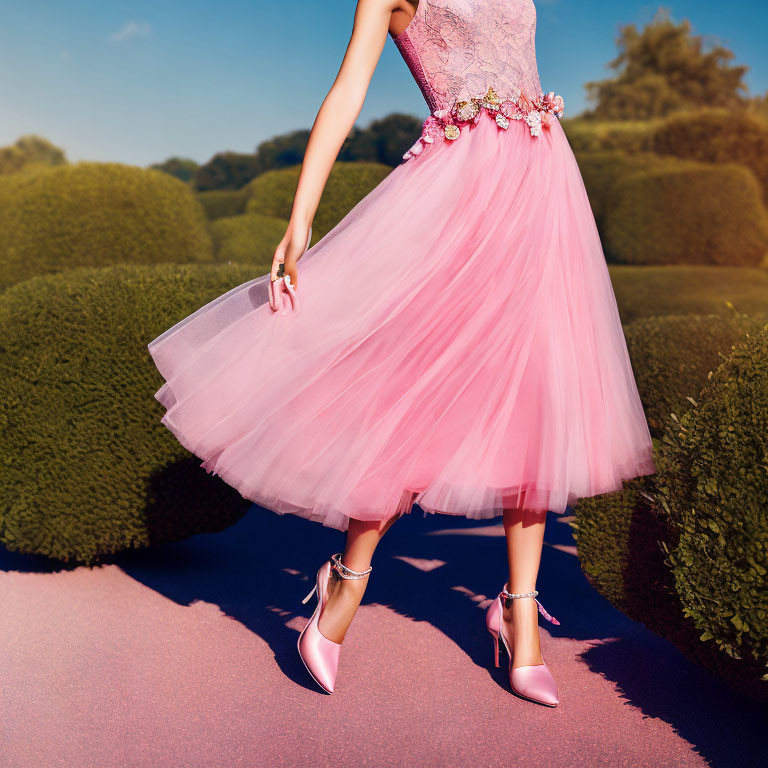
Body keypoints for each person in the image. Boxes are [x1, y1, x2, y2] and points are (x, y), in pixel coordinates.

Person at [147, 0, 656, 707]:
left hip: (543, 191)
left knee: (538, 388)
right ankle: (347, 579)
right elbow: (348, 90)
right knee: (418, 387)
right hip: (459, 199)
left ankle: (519, 610)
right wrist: (299, 221)